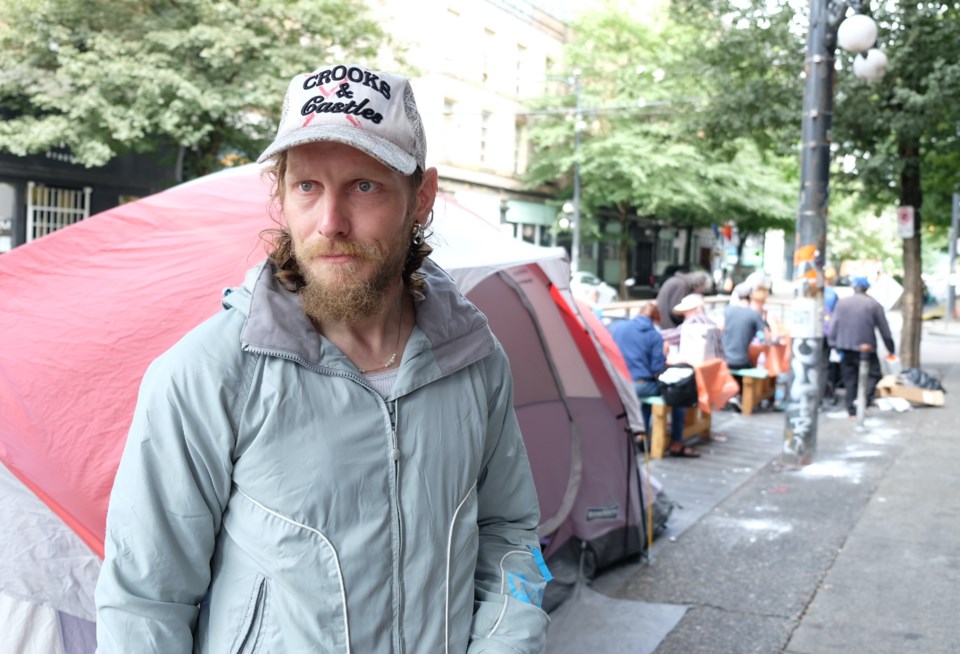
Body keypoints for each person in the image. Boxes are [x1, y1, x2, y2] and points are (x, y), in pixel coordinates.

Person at [95, 63, 550, 653]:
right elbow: (143, 602)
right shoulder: (207, 374)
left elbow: (509, 535)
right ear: (281, 197)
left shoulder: (472, 360)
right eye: (308, 186)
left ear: (422, 198)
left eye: (364, 186)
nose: (331, 223)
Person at [609, 303, 700, 458]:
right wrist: (663, 353)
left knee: (648, 399)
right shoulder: (653, 335)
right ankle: (677, 442)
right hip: (639, 385)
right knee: (679, 394)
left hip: (619, 382)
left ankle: (641, 433)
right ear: (655, 319)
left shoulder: (619, 328)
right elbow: (656, 369)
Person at [828, 276, 895, 417]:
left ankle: (851, 409)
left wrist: (833, 344)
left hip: (845, 348)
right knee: (874, 374)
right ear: (867, 289)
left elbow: (833, 325)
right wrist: (891, 349)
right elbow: (885, 331)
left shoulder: (842, 303)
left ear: (853, 287)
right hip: (866, 349)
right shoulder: (873, 304)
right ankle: (863, 399)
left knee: (849, 379)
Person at [672, 293, 723, 362]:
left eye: (687, 311)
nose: (684, 314)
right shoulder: (710, 321)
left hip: (705, 366)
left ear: (697, 309)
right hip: (718, 363)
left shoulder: (694, 320)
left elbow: (673, 335)